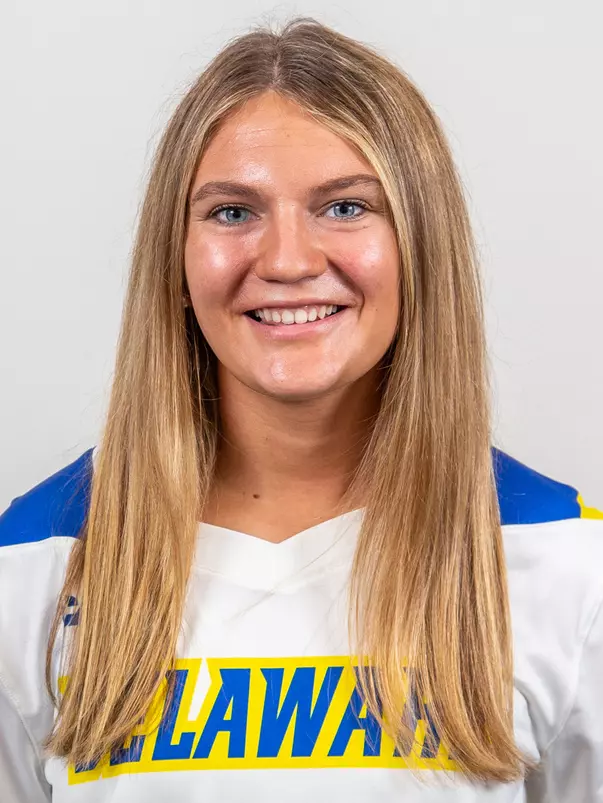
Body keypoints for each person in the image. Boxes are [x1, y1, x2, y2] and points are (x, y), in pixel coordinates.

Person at [0, 16, 602, 803]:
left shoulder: (563, 564)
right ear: (174, 258)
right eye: (232, 211)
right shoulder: (34, 563)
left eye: (345, 207)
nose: (286, 260)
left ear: (419, 244)